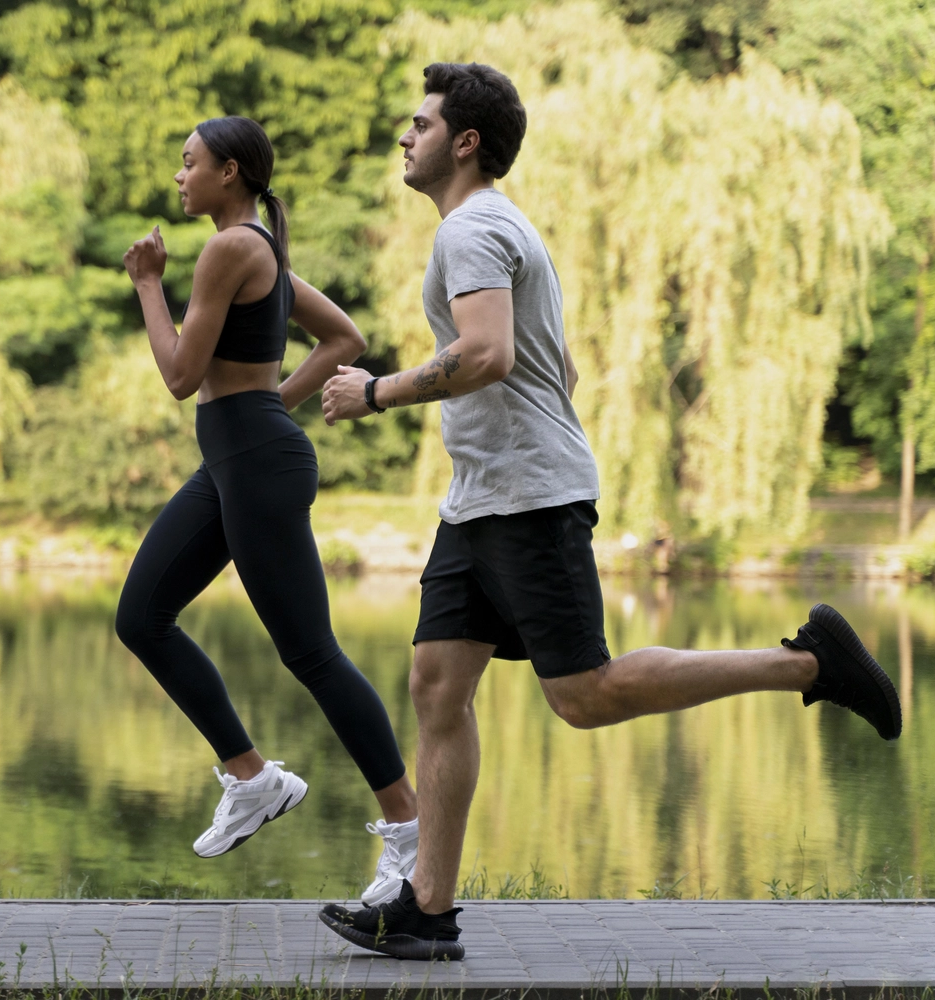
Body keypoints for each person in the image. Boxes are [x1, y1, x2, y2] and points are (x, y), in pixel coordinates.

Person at [315, 63, 903, 961]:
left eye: (421, 123)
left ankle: (809, 665)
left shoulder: (472, 228)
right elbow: (562, 368)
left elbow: (486, 355)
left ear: (463, 143)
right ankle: (427, 907)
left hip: (527, 497)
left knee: (583, 696)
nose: (407, 136)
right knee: (438, 682)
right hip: (484, 498)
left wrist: (379, 392)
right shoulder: (497, 228)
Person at [117, 116, 420, 902]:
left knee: (311, 653)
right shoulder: (261, 253)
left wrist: (148, 283)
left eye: (189, 164)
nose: (178, 176)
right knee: (141, 617)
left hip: (253, 462)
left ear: (232, 173)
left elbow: (182, 375)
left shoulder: (231, 247)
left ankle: (410, 829)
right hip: (237, 458)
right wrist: (273, 405)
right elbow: (343, 338)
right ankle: (251, 779)